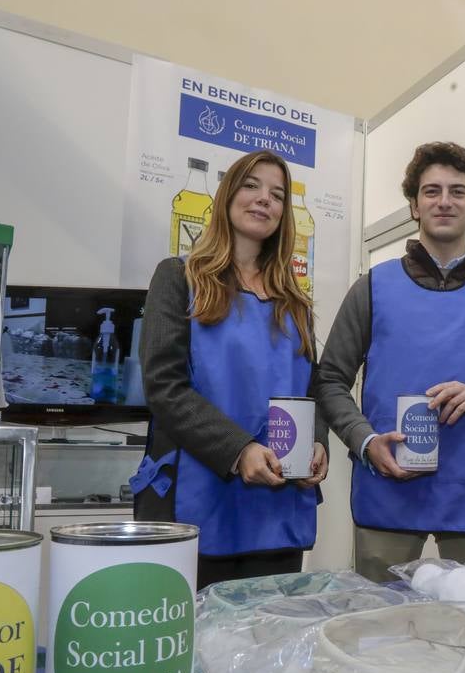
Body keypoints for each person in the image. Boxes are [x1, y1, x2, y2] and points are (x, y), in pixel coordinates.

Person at [314, 141, 465, 581]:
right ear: (413, 205)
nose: (445, 201)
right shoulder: (371, 289)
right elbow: (329, 381)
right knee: (378, 627)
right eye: (432, 191)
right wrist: (363, 440)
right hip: (389, 483)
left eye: (458, 192)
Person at [132, 150, 327, 589]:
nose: (265, 200)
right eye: (251, 186)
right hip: (198, 503)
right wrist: (239, 451)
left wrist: (317, 440)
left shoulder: (295, 303)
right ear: (226, 196)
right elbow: (164, 387)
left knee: (266, 642)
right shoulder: (179, 277)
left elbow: (315, 386)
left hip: (278, 508)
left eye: (277, 195)